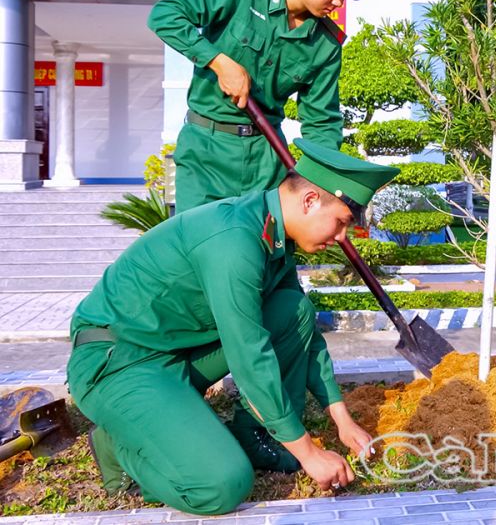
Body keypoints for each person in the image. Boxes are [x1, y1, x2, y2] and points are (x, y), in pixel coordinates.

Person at [66, 140, 400, 515]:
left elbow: (301, 329)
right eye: (341, 223)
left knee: (295, 309)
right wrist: (308, 453)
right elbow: (248, 353)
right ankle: (118, 448)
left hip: (172, 354)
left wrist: (341, 418)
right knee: (222, 485)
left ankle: (254, 434)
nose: (342, 238)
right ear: (309, 202)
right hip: (118, 362)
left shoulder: (274, 232)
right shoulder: (235, 242)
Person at [149, 0, 386, 213]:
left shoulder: (326, 44)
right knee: (195, 247)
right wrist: (217, 61)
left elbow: (321, 122)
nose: (338, 2)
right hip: (205, 151)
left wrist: (319, 182)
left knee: (270, 254)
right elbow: (165, 15)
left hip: (267, 158)